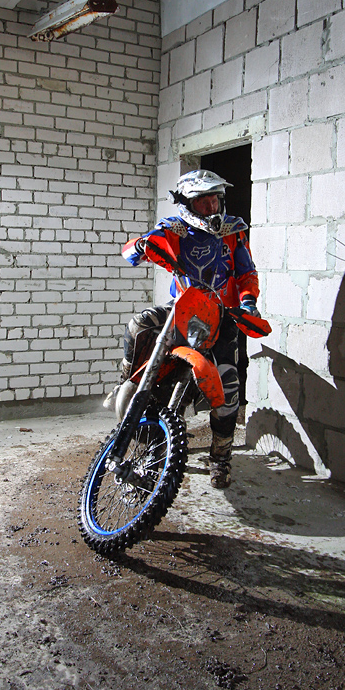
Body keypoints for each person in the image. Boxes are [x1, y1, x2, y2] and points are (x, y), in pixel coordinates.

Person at [113, 169, 260, 489]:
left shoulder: (233, 230)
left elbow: (247, 272)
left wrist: (248, 302)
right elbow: (133, 250)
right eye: (203, 202)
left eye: (214, 200)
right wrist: (139, 246)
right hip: (182, 307)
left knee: (229, 388)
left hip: (221, 316)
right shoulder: (174, 228)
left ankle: (220, 458)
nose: (211, 207)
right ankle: (127, 381)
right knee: (139, 323)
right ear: (187, 204)